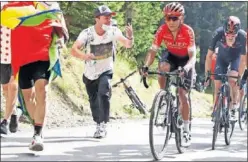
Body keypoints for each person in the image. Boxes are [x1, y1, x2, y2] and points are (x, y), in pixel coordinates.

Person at [3, 1, 68, 151]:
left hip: (43, 55)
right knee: (28, 99)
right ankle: (37, 127)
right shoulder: (15, 5)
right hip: (23, 58)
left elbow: (61, 28)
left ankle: (37, 134)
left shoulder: (52, 5)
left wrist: (61, 39)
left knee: (42, 90)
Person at [71, 5, 134, 138]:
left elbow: (127, 45)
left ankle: (102, 125)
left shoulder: (113, 31)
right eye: (106, 17)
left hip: (106, 69)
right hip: (89, 73)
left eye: (110, 17)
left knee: (104, 94)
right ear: (97, 19)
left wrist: (130, 37)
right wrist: (84, 56)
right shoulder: (87, 33)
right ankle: (98, 122)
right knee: (94, 101)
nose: (109, 20)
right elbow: (74, 49)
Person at [141, 2, 196, 147]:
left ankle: (186, 130)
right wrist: (146, 66)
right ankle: (164, 97)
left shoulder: (187, 31)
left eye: (174, 18)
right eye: (167, 18)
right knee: (162, 67)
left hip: (186, 59)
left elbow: (192, 57)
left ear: (181, 18)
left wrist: (186, 68)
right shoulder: (162, 30)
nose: (170, 21)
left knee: (183, 95)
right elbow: (153, 51)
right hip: (171, 55)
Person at [205, 16, 247, 121]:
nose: (230, 37)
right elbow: (209, 56)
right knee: (217, 83)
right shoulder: (218, 33)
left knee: (233, 80)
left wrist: (239, 77)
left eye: (233, 35)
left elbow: (243, 60)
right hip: (222, 58)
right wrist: (207, 74)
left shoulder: (243, 36)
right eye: (228, 34)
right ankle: (216, 107)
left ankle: (233, 106)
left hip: (236, 59)